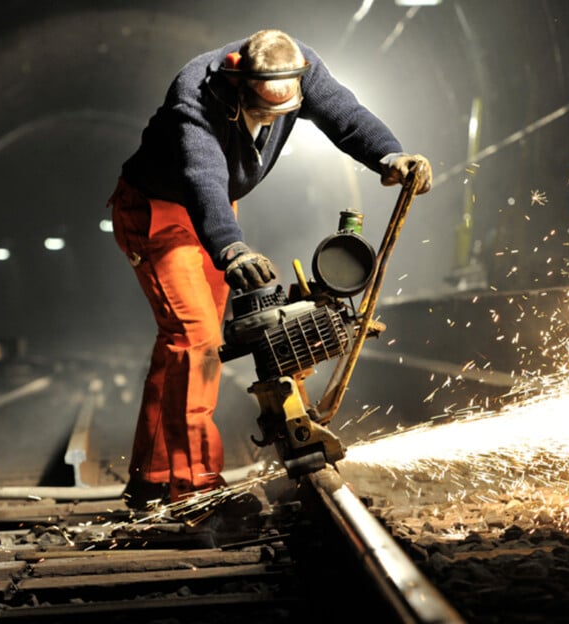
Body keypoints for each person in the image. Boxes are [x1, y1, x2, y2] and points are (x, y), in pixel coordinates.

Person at [108, 29, 432, 509]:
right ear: (239, 82)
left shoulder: (302, 65)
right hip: (158, 210)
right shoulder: (193, 95)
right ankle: (193, 490)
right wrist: (231, 249)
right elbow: (203, 177)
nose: (270, 121)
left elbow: (345, 115)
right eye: (261, 111)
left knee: (201, 345)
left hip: (216, 212)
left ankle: (154, 479)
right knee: (193, 339)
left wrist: (390, 154)